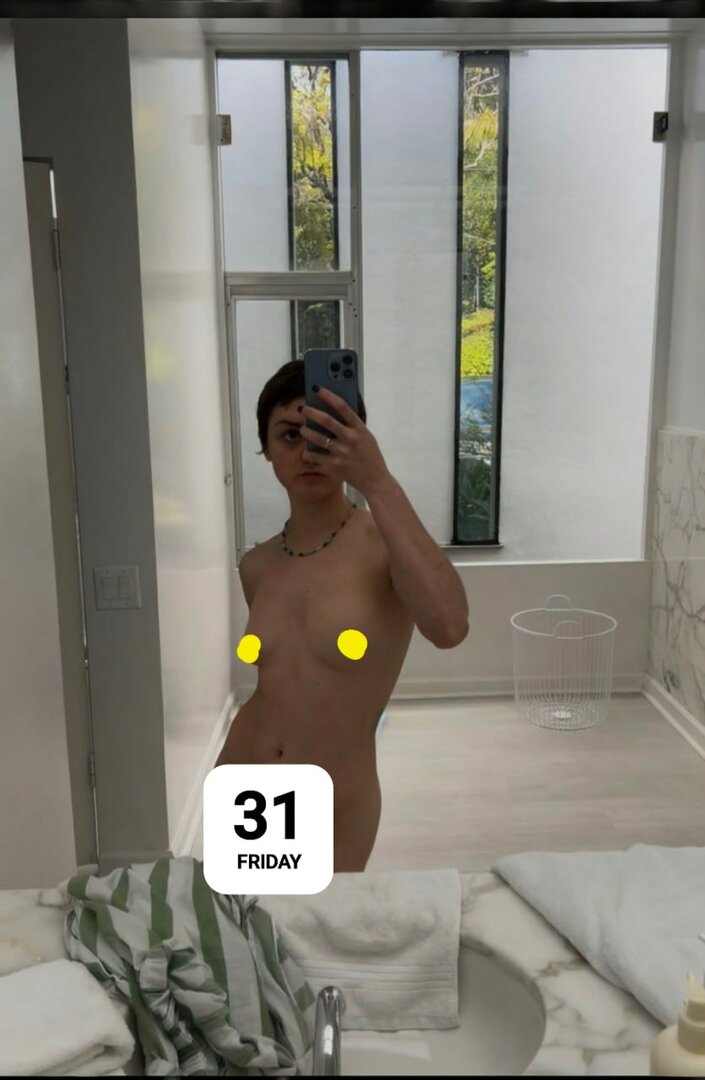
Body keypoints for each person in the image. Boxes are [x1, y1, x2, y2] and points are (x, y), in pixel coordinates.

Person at [216, 360, 469, 871]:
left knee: (314, 924)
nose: (309, 452)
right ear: (266, 449)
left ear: (355, 440)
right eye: (290, 435)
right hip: (246, 786)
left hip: (335, 801)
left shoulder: (383, 545)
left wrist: (377, 480)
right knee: (245, 922)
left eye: (326, 434)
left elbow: (449, 627)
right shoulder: (256, 566)